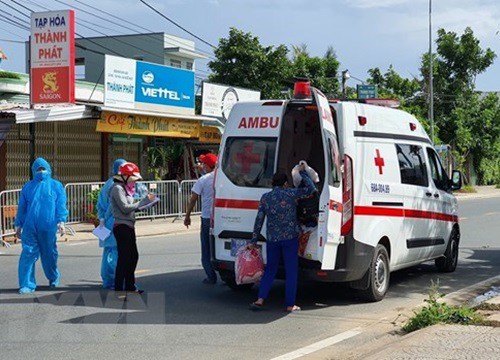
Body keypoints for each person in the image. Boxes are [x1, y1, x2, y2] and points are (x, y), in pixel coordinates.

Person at [249, 165, 316, 312]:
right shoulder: (291, 194)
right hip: (290, 239)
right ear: (285, 183)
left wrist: (253, 241)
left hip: (272, 239)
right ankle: (290, 304)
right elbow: (311, 189)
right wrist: (302, 173)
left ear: (273, 183)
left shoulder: (266, 198)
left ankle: (260, 299)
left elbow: (259, 220)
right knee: (291, 271)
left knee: (270, 269)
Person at [14, 157, 69, 294]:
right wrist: (18, 224)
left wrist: (61, 221)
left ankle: (53, 277)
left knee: (49, 255)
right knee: (28, 254)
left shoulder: (56, 186)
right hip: (30, 227)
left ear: (49, 170)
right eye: (38, 169)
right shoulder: (28, 187)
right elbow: (22, 207)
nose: (41, 171)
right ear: (33, 171)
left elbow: (60, 205)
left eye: (43, 169)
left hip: (48, 227)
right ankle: (26, 284)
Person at [110, 162, 155, 294]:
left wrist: (146, 205)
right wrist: (144, 202)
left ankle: (130, 285)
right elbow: (124, 208)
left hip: (129, 226)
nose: (135, 181)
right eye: (133, 178)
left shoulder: (125, 189)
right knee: (124, 257)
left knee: (133, 256)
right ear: (125, 176)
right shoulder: (117, 188)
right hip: (122, 227)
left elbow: (132, 208)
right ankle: (119, 287)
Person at [184, 152, 218, 284]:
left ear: (207, 165)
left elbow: (193, 199)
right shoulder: (221, 177)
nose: (202, 165)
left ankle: (211, 276)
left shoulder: (203, 180)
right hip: (219, 217)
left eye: (203, 163)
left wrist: (187, 216)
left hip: (206, 218)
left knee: (206, 249)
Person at [96, 158, 126, 289]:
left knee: (109, 251)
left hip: (108, 223)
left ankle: (108, 280)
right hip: (117, 222)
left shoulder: (108, 184)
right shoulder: (119, 185)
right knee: (118, 253)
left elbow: (101, 204)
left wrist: (102, 219)